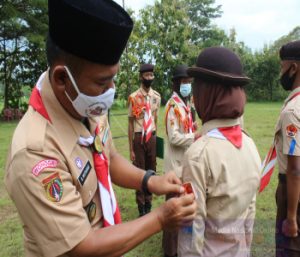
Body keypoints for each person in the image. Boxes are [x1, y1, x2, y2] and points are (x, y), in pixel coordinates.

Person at [4, 1, 197, 256]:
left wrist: (150, 180)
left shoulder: (85, 105)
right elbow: (81, 247)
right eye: (102, 82)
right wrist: (160, 218)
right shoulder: (35, 152)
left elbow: (108, 158)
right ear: (63, 79)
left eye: (113, 78)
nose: (111, 91)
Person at [177, 47, 261, 257]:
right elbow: (250, 213)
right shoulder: (250, 145)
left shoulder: (199, 154)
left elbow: (191, 229)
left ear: (206, 94)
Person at [162, 64, 201, 257]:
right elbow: (174, 137)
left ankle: (176, 248)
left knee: (180, 209)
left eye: (189, 82)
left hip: (184, 162)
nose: (188, 85)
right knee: (172, 210)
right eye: (185, 82)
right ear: (177, 83)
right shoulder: (172, 106)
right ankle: (170, 251)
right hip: (174, 166)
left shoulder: (186, 104)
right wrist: (195, 136)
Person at [274, 40, 300, 257]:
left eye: (282, 67)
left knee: (288, 249)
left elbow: (294, 169)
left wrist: (291, 217)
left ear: (294, 68)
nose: (280, 73)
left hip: (292, 192)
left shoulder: (292, 110)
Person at [128, 63, 161, 216]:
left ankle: (149, 203)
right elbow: (130, 123)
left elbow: (155, 120)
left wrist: (156, 140)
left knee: (151, 170)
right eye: (147, 75)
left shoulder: (156, 97)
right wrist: (131, 149)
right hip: (138, 137)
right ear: (141, 77)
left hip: (151, 137)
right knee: (140, 171)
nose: (149, 78)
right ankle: (141, 206)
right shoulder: (134, 98)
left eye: (151, 75)